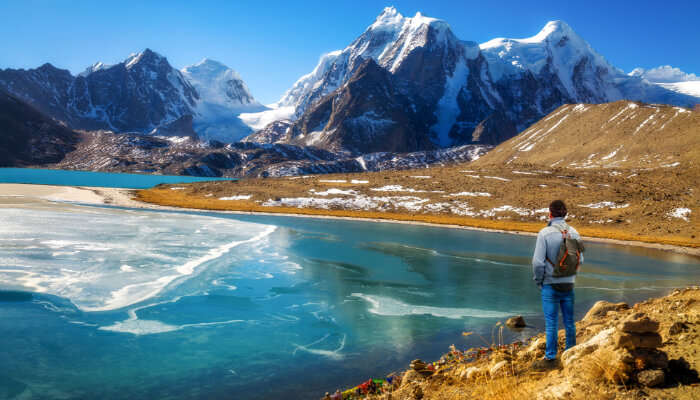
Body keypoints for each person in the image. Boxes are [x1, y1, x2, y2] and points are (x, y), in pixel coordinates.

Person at [531, 200, 584, 370]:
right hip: (568, 284)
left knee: (551, 322)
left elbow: (538, 263)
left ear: (550, 213)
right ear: (565, 214)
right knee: (569, 321)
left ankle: (551, 358)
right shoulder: (574, 232)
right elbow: (580, 259)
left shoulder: (544, 233)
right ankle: (571, 354)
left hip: (550, 285)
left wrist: (539, 281)